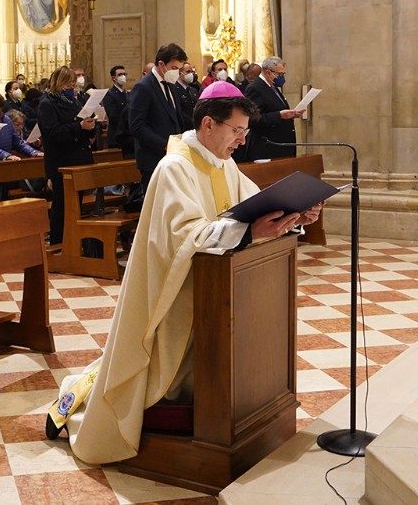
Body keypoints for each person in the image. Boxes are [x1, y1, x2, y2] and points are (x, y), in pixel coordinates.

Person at [43, 81, 322, 462]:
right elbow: (188, 237)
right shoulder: (175, 167)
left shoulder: (223, 164)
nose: (243, 140)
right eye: (237, 130)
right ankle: (79, 401)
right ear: (208, 124)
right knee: (148, 378)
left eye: (245, 131)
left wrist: (291, 217)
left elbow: (254, 209)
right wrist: (250, 232)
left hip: (214, 294)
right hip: (176, 299)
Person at [39, 66, 97, 244]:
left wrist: (90, 127)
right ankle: (59, 242)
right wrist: (79, 127)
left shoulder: (75, 102)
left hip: (79, 159)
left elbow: (81, 127)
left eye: (73, 84)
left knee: (76, 205)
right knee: (62, 205)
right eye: (69, 84)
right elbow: (52, 134)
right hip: (61, 162)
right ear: (59, 83)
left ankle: (74, 242)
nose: (72, 87)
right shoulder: (47, 103)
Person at [128, 43, 190, 194]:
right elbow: (137, 126)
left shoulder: (171, 85)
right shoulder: (143, 87)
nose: (177, 73)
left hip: (174, 155)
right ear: (161, 64)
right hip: (153, 158)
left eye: (179, 69)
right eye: (174, 68)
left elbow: (176, 117)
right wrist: (164, 145)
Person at [244, 56, 304, 161]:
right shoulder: (255, 88)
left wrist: (291, 115)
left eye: (283, 74)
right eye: (279, 74)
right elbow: (252, 119)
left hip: (281, 146)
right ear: (268, 72)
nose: (282, 77)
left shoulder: (273, 87)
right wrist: (279, 115)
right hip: (267, 147)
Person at [102, 65, 131, 157]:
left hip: (128, 136)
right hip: (116, 137)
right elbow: (113, 116)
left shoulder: (127, 94)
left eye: (124, 74)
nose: (123, 76)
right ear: (114, 78)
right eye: (120, 74)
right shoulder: (110, 94)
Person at [173, 62, 200, 131]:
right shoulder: (174, 89)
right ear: (180, 73)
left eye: (192, 72)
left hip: (194, 128)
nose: (191, 74)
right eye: (188, 72)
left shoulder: (193, 90)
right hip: (183, 128)